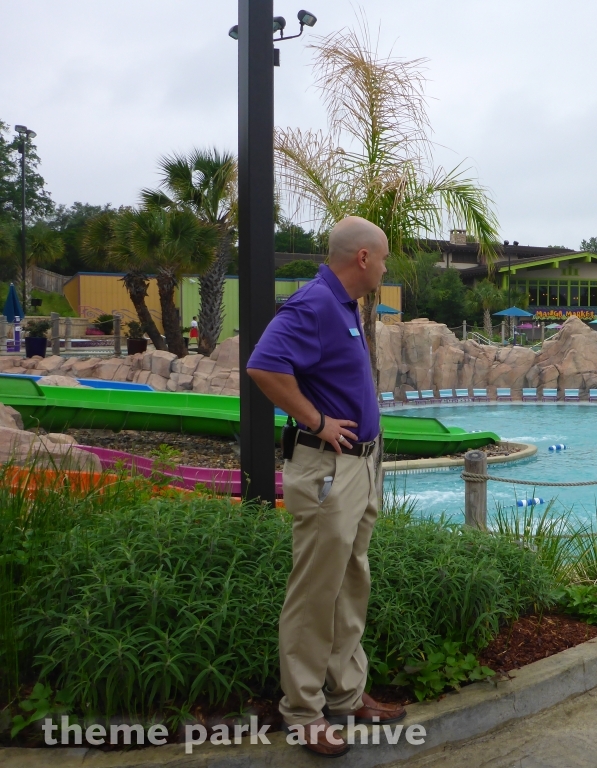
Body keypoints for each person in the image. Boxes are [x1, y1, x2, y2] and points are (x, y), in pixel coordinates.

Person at [247, 216, 403, 757]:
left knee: (351, 580)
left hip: (358, 467)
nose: (386, 267)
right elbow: (264, 367)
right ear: (362, 258)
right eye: (383, 258)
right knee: (316, 591)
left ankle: (347, 694)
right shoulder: (313, 304)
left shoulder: (346, 307)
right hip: (327, 469)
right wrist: (316, 421)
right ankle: (304, 711)